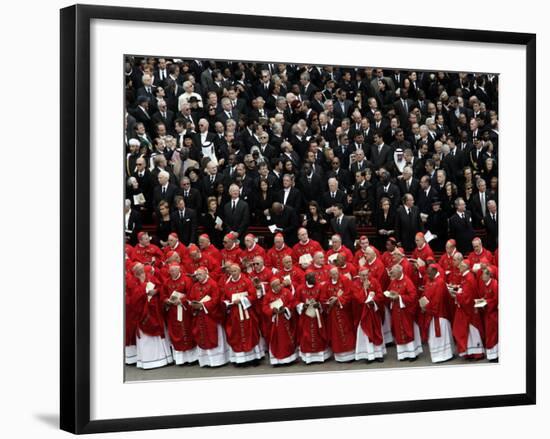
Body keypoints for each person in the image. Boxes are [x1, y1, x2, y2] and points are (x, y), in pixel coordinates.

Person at [128, 262, 174, 369]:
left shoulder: (150, 276)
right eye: (138, 268)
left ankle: (164, 358)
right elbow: (133, 298)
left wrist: (156, 291)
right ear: (134, 271)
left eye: (141, 267)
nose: (141, 269)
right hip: (143, 312)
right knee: (146, 338)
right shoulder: (132, 281)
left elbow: (160, 287)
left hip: (155, 309)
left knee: (159, 332)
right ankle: (150, 361)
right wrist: (144, 289)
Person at [222, 264, 264, 365]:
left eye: (235, 271)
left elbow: (253, 295)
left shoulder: (246, 281)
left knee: (250, 333)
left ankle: (254, 358)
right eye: (231, 272)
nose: (233, 273)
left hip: (246, 312)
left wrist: (241, 300)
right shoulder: (227, 285)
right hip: (234, 314)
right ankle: (241, 359)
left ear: (239, 271)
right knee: (237, 335)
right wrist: (228, 303)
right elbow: (224, 298)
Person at [188, 267, 229, 367]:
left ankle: (217, 361)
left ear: (206, 273)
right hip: (200, 315)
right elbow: (191, 298)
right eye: (197, 275)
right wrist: (193, 304)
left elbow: (216, 300)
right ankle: (206, 361)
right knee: (202, 336)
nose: (198, 277)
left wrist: (203, 305)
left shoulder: (213, 284)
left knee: (213, 335)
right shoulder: (195, 286)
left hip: (211, 315)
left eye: (200, 274)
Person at [386, 264, 423, 361]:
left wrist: (399, 297)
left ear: (399, 272)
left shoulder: (407, 281)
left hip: (405, 311)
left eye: (393, 272)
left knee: (407, 331)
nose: (392, 273)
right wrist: (390, 295)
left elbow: (413, 296)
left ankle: (412, 354)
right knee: (398, 332)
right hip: (396, 310)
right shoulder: (394, 281)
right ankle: (402, 354)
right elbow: (390, 291)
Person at [161, 263, 197, 365]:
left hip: (184, 310)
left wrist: (182, 300)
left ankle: (192, 358)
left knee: (186, 331)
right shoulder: (167, 282)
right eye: (171, 271)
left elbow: (191, 294)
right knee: (176, 333)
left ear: (179, 270)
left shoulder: (186, 280)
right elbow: (163, 295)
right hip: (172, 311)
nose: (172, 272)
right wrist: (166, 300)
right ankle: (181, 359)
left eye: (174, 270)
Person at [419, 265, 454, 363]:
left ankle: (444, 356)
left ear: (435, 271)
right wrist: (422, 304)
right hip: (431, 313)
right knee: (434, 337)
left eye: (429, 273)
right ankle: (439, 355)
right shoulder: (430, 280)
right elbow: (425, 294)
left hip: (440, 314)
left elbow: (437, 300)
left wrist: (427, 308)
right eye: (427, 273)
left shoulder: (440, 282)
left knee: (441, 336)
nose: (427, 275)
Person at [320, 267, 356, 362]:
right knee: (336, 334)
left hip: (344, 312)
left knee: (347, 331)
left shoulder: (345, 280)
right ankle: (340, 357)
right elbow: (323, 299)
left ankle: (351, 355)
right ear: (330, 275)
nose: (335, 275)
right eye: (333, 274)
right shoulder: (326, 285)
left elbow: (350, 294)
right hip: (333, 314)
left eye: (336, 273)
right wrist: (329, 302)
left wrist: (338, 299)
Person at [451, 260, 485, 359]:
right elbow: (464, 290)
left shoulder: (469, 278)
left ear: (466, 267)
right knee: (466, 331)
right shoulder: (465, 277)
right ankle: (470, 352)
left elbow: (468, 296)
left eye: (461, 266)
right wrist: (457, 289)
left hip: (469, 310)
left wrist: (456, 295)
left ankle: (477, 353)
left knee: (471, 331)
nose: (459, 267)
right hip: (465, 309)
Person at [295, 273, 331, 364]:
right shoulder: (300, 288)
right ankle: (308, 358)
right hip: (306, 316)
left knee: (318, 334)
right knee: (306, 335)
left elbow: (323, 299)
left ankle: (320, 356)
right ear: (307, 279)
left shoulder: (319, 287)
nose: (315, 279)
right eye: (313, 278)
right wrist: (303, 305)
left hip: (317, 315)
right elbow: (296, 301)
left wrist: (318, 304)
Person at [262, 278, 298, 365]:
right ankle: (277, 361)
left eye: (279, 284)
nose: (279, 286)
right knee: (276, 340)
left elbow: (292, 302)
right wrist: (272, 311)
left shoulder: (286, 292)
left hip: (286, 320)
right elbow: (264, 307)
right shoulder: (268, 295)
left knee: (287, 339)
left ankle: (289, 359)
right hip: (275, 323)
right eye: (276, 285)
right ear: (272, 287)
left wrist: (285, 309)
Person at [353, 269, 386, 362]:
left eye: (366, 275)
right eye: (363, 275)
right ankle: (369, 355)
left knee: (376, 332)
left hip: (374, 312)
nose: (365, 277)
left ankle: (379, 354)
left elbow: (380, 294)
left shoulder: (374, 281)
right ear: (359, 275)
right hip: (363, 314)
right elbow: (358, 298)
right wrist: (364, 289)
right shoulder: (355, 284)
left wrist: (373, 299)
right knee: (366, 334)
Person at [478, 267, 499, 361]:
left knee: (493, 333)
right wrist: (482, 300)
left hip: (493, 313)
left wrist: (486, 301)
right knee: (489, 333)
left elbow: (496, 299)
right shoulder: (485, 284)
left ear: (488, 275)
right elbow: (486, 296)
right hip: (487, 313)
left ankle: (495, 355)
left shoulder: (494, 284)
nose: (482, 276)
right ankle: (492, 354)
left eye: (483, 274)